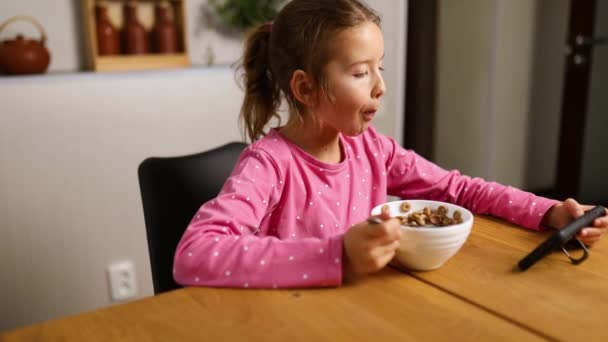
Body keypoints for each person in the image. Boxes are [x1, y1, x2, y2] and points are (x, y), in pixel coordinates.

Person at [173, 0, 608, 288]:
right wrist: (336, 254)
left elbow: (459, 189)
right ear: (305, 89)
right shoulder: (268, 165)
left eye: (379, 68)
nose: (380, 86)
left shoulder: (372, 151)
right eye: (361, 73)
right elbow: (194, 255)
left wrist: (546, 210)